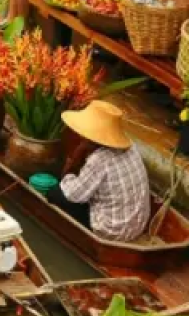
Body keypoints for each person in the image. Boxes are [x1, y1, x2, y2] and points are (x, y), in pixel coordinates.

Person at [50, 100, 149, 242]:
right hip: (138, 225)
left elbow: (73, 195)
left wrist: (69, 172)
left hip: (112, 231)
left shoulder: (100, 159)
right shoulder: (131, 146)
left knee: (54, 193)